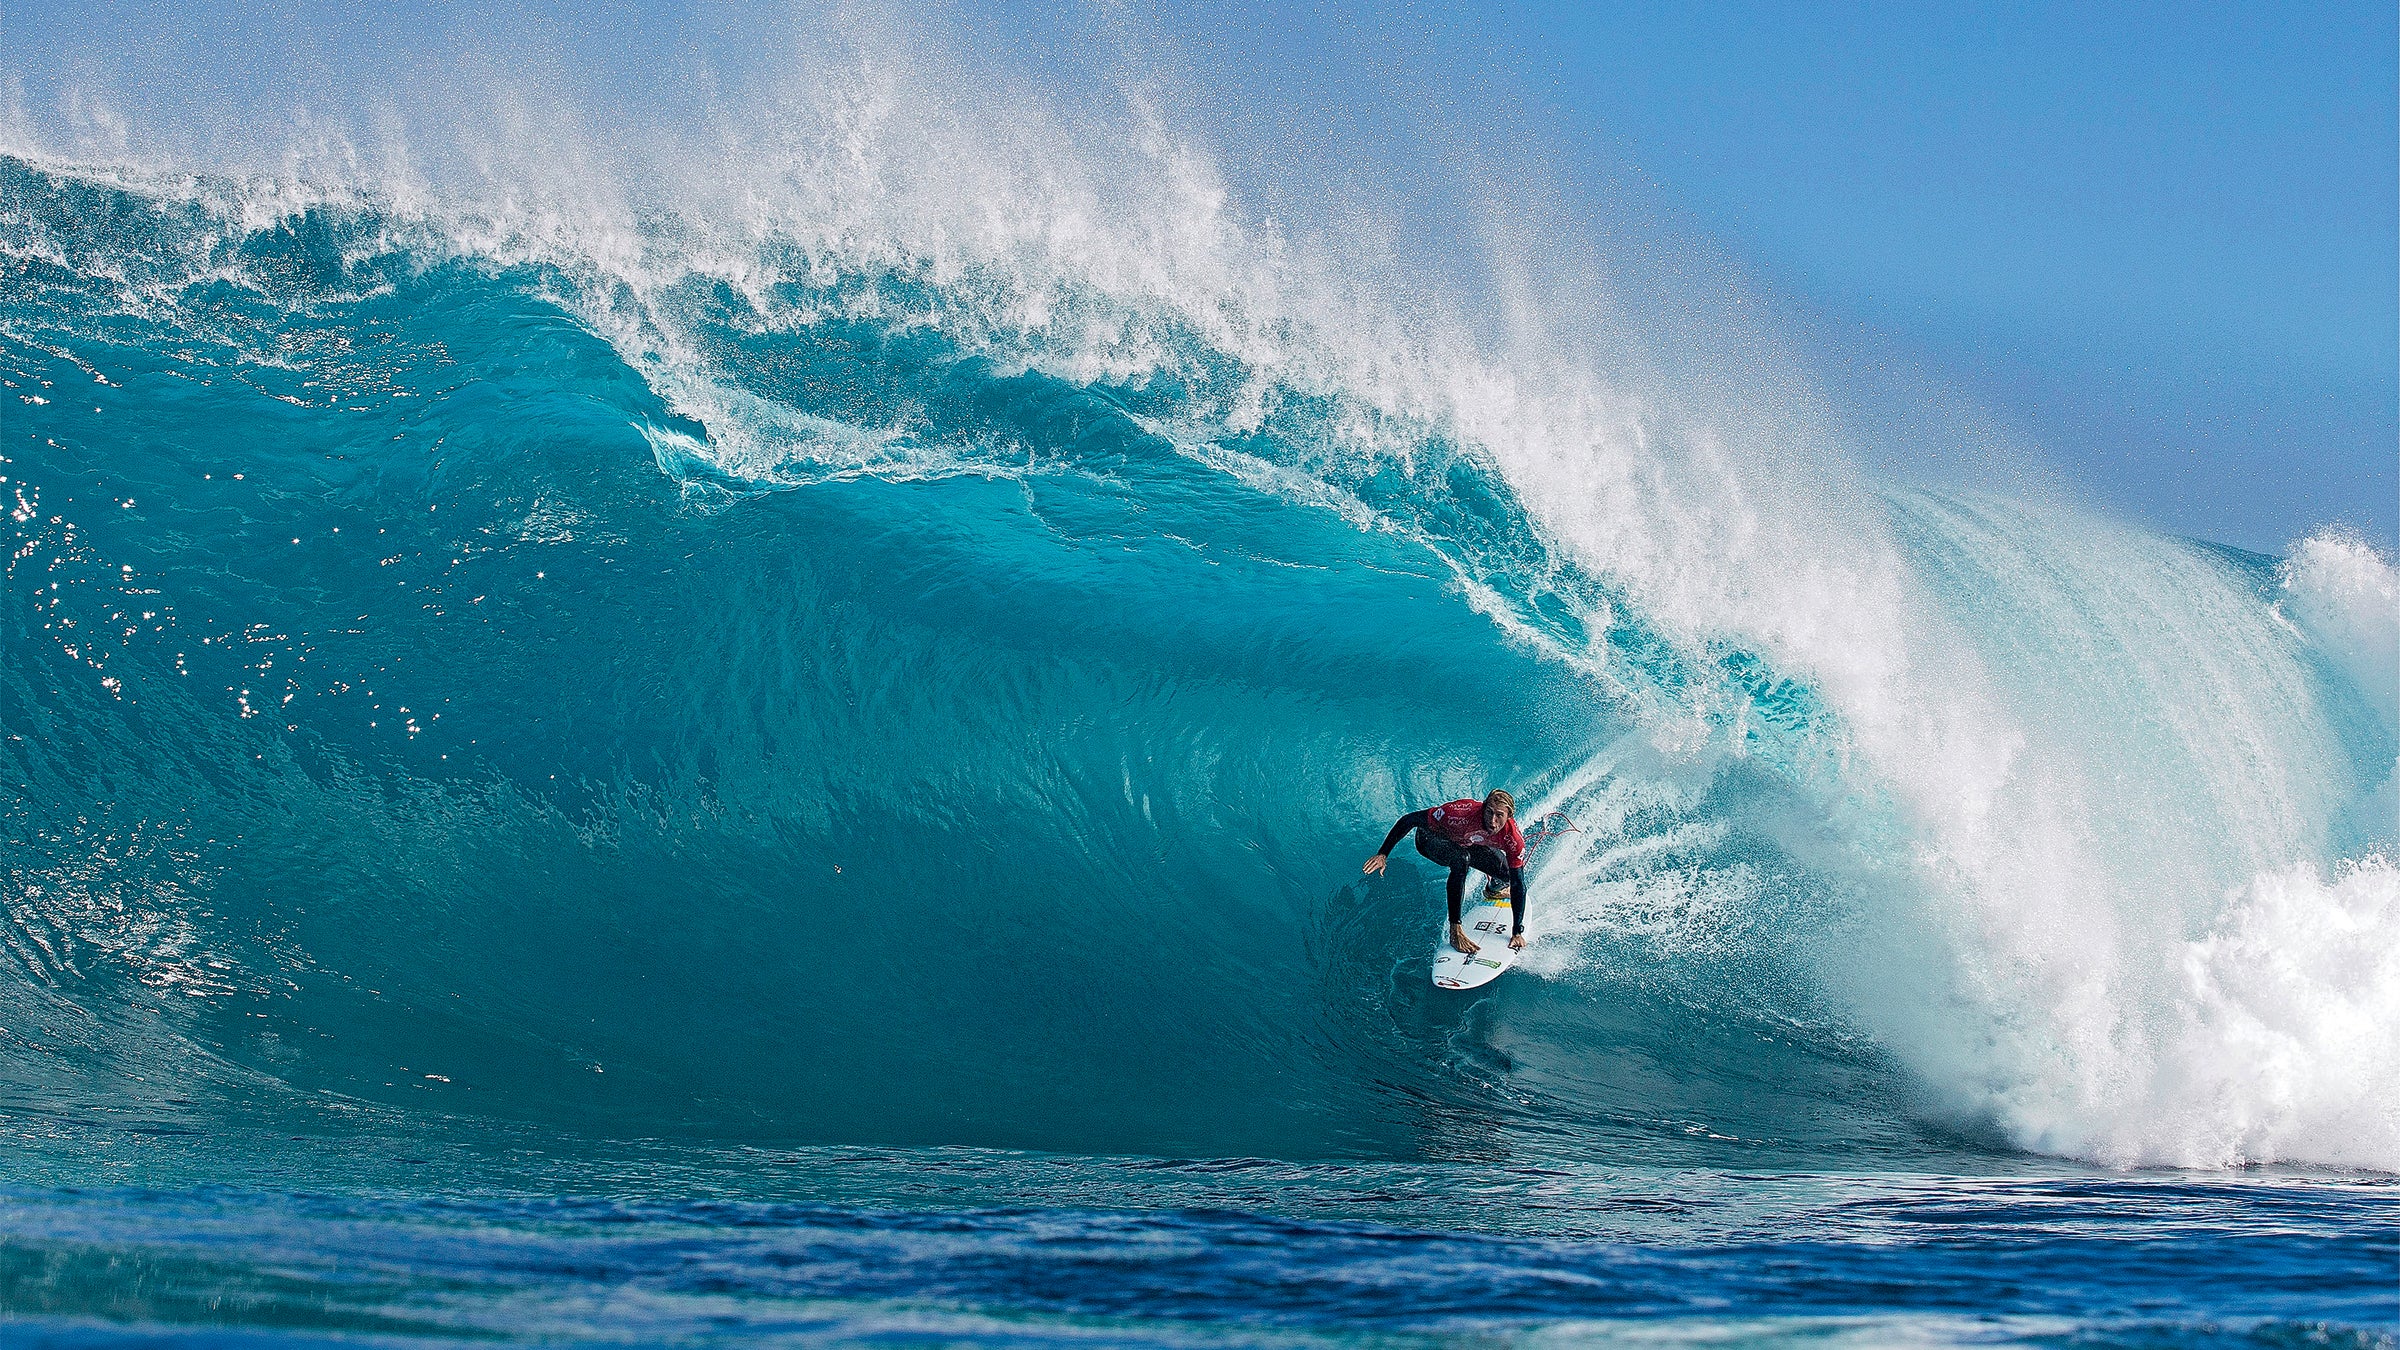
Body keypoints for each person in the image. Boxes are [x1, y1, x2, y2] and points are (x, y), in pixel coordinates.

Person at [1362, 790, 1528, 955]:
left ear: (1509, 817)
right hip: (1430, 839)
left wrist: (1517, 932)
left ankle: (1494, 888)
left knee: (1507, 874)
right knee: (1461, 859)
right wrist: (1383, 853)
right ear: (1483, 808)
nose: (1492, 821)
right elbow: (1410, 819)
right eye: (1489, 812)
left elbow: (1518, 884)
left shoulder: (1513, 839)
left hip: (1466, 841)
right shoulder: (1459, 813)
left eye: (1499, 815)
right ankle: (1455, 929)